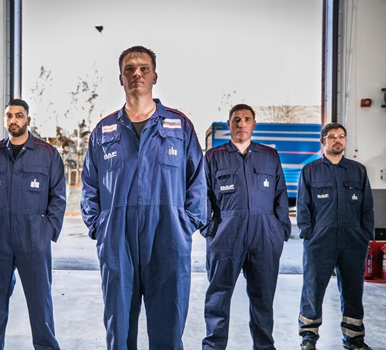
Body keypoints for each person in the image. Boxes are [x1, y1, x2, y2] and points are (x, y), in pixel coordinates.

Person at [81, 45, 207, 349]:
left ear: (154, 77)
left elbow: (198, 182)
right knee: (119, 324)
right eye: (129, 69)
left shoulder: (180, 126)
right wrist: (99, 225)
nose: (136, 73)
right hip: (117, 238)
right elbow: (89, 184)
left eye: (143, 68)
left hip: (168, 236)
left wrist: (185, 222)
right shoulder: (104, 130)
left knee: (168, 322)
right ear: (121, 79)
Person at [0, 99, 66, 350]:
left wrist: (47, 232)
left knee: (40, 302)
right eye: (9, 116)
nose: (13, 120)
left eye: (19, 115)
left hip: (33, 238)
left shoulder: (47, 154)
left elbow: (58, 197)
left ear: (28, 120)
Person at [202, 104, 291, 350]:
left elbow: (281, 195)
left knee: (263, 298)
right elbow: (202, 196)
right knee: (218, 296)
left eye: (247, 119)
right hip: (225, 235)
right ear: (229, 124)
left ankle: (264, 347)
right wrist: (210, 229)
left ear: (254, 124)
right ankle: (213, 346)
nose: (242, 124)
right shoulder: (212, 157)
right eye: (237, 119)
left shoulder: (269, 156)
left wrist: (279, 230)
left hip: (264, 235)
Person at [297, 122, 374, 350]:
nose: (338, 140)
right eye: (332, 137)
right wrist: (308, 233)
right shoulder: (310, 171)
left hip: (352, 240)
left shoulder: (358, 170)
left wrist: (364, 236)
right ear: (323, 142)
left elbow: (367, 207)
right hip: (320, 240)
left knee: (353, 288)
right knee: (313, 287)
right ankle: (308, 337)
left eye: (342, 136)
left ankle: (354, 338)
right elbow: (303, 206)